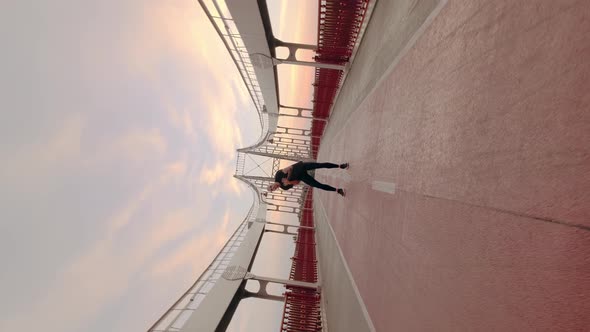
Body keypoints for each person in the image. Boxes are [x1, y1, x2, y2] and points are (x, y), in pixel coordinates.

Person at [268, 161, 349, 196]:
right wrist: (289, 182)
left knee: (320, 165)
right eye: (273, 190)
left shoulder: (278, 175)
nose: (274, 188)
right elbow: (297, 182)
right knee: (318, 185)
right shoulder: (284, 187)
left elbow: (290, 168)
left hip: (301, 167)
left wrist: (288, 179)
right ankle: (338, 190)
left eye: (271, 187)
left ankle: (340, 166)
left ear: (271, 184)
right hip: (302, 177)